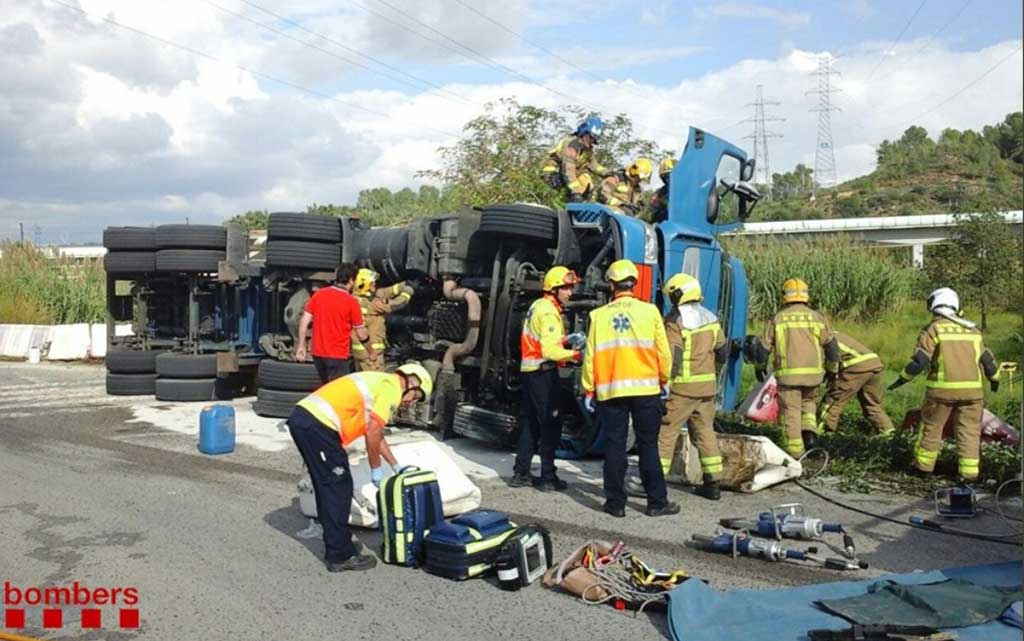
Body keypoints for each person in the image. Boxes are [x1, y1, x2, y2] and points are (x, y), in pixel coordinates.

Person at [286, 363, 433, 572]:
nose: (411, 403)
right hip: (316, 425)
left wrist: (396, 466)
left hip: (310, 422)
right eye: (416, 396)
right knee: (337, 487)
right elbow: (372, 434)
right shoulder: (391, 389)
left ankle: (340, 542)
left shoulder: (381, 383)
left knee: (331, 485)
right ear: (411, 382)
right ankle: (340, 555)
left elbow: (375, 434)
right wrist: (376, 469)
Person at [581, 259, 677, 518]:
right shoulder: (650, 312)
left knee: (614, 445)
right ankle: (657, 503)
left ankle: (615, 504)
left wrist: (588, 388)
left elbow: (590, 355)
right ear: (634, 283)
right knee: (648, 446)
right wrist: (664, 380)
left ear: (611, 285)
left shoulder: (598, 316)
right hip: (646, 390)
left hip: (611, 391)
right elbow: (663, 353)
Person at [889, 288, 999, 483]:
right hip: (973, 393)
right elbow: (988, 361)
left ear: (934, 305)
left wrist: (902, 379)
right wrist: (995, 380)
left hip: (941, 392)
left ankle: (923, 468)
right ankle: (969, 474)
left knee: (931, 427)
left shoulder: (934, 329)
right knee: (969, 431)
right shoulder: (972, 330)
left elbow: (920, 361)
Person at [747, 278, 839, 458]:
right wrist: (832, 370)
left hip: (788, 377)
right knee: (808, 405)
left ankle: (796, 454)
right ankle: (810, 438)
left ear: (785, 296)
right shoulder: (817, 317)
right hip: (813, 375)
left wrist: (760, 367)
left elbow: (763, 348)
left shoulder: (778, 319)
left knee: (791, 412)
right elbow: (832, 347)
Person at [511, 266, 584, 491]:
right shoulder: (550, 312)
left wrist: (565, 339)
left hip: (531, 372)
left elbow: (542, 339)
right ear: (553, 289)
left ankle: (521, 473)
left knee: (530, 423)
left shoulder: (538, 306)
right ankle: (548, 477)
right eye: (566, 289)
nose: (570, 293)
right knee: (550, 424)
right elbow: (550, 351)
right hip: (543, 373)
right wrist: (577, 354)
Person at [657, 273, 728, 501]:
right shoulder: (710, 317)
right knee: (705, 432)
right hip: (707, 388)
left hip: (682, 389)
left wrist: (664, 384)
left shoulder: (675, 320)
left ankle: (654, 480)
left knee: (667, 432)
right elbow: (723, 352)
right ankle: (713, 483)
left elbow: (673, 356)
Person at [295, 263, 375, 383]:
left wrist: (301, 345)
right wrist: (371, 351)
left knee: (326, 387)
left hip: (317, 353)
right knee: (338, 392)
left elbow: (304, 321)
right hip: (337, 355)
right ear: (351, 280)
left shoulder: (319, 295)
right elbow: (361, 334)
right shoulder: (351, 302)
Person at [818, 332, 894, 434]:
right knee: (872, 405)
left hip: (856, 366)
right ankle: (890, 436)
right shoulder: (831, 333)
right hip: (874, 364)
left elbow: (828, 360)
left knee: (832, 402)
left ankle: (823, 435)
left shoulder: (817, 338)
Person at [351, 268, 414, 372]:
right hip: (371, 354)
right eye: (372, 283)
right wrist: (407, 292)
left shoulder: (356, 298)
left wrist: (404, 284)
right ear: (365, 285)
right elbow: (396, 304)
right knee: (374, 383)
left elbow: (383, 292)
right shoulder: (371, 304)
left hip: (360, 353)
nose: (374, 284)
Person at [540, 117, 610, 202]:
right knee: (572, 192)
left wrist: (608, 173)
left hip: (566, 174)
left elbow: (594, 165)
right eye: (591, 137)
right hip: (552, 174)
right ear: (584, 133)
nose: (592, 141)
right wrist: (576, 192)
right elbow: (568, 170)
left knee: (586, 182)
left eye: (594, 139)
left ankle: (579, 206)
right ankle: (563, 206)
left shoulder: (587, 150)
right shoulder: (572, 145)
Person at [650, 157, 676, 223]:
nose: (669, 179)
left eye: (669, 176)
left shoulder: (688, 190)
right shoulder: (660, 192)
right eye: (666, 176)